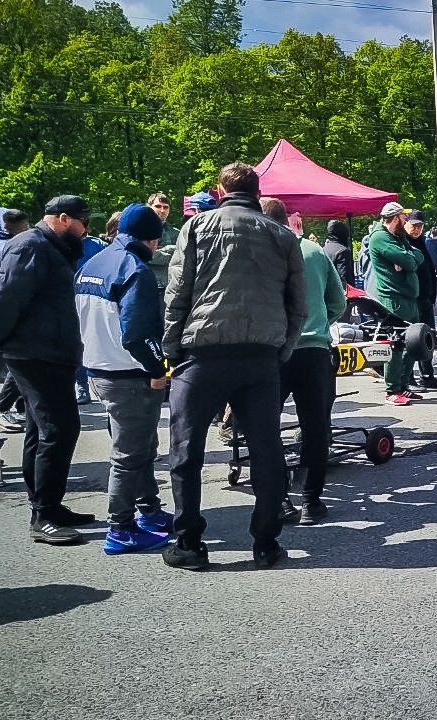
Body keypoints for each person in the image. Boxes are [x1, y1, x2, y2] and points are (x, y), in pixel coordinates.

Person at [162, 163, 306, 570]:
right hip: (260, 357)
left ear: (219, 190)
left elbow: (178, 292)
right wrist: (281, 350)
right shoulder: (281, 234)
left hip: (202, 353)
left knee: (186, 450)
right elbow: (299, 304)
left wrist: (171, 349)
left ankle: (189, 542)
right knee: (266, 450)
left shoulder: (196, 227)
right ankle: (266, 543)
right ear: (257, 193)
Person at [0, 195, 93, 544]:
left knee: (41, 429)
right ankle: (43, 514)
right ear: (62, 218)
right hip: (34, 352)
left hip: (48, 350)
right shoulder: (30, 246)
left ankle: (47, 506)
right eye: (82, 222)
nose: (85, 230)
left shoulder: (49, 246)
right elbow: (5, 298)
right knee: (59, 429)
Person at [75, 203, 174, 554]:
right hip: (128, 372)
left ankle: (150, 510)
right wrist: (158, 369)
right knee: (130, 453)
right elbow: (137, 334)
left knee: (139, 445)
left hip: (98, 367)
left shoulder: (92, 263)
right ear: (151, 239)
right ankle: (120, 528)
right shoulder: (135, 269)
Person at [261, 197, 346, 526]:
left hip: (271, 350)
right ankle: (311, 500)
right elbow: (337, 302)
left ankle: (280, 499)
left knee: (265, 426)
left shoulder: (257, 253)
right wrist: (319, 323)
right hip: (313, 350)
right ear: (289, 220)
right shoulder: (313, 251)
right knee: (315, 427)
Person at [368, 202, 426, 406]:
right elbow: (410, 261)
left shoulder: (398, 237)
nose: (406, 220)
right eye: (403, 217)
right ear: (395, 218)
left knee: (413, 343)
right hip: (394, 299)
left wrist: (407, 260)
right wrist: (408, 260)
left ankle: (403, 385)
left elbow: (418, 255)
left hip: (408, 298)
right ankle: (392, 389)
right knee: (396, 343)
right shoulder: (380, 237)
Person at [0, 209, 30, 433]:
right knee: (19, 361)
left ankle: (20, 407)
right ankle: (2, 407)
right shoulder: (6, 247)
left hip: (1, 308)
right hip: (12, 311)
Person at [402, 209, 437, 390]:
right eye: (414, 226)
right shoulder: (403, 243)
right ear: (406, 225)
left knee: (427, 338)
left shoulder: (421, 242)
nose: (417, 229)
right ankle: (408, 378)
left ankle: (427, 375)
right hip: (412, 300)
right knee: (410, 340)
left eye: (420, 226)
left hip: (425, 299)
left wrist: (431, 296)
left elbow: (428, 270)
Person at [73, 230, 109, 406]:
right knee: (78, 344)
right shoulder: (60, 243)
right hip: (70, 300)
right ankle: (81, 385)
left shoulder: (97, 245)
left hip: (95, 300)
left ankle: (104, 385)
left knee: (96, 341)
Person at [146, 192, 178, 290]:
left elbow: (182, 256)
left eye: (166, 207)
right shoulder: (140, 229)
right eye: (158, 206)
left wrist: (158, 252)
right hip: (146, 283)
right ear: (149, 207)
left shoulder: (176, 233)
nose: (162, 210)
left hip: (169, 286)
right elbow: (145, 255)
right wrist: (173, 249)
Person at [323, 219, 355, 288]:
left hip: (326, 289)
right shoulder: (343, 251)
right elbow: (345, 279)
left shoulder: (323, 249)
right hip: (340, 291)